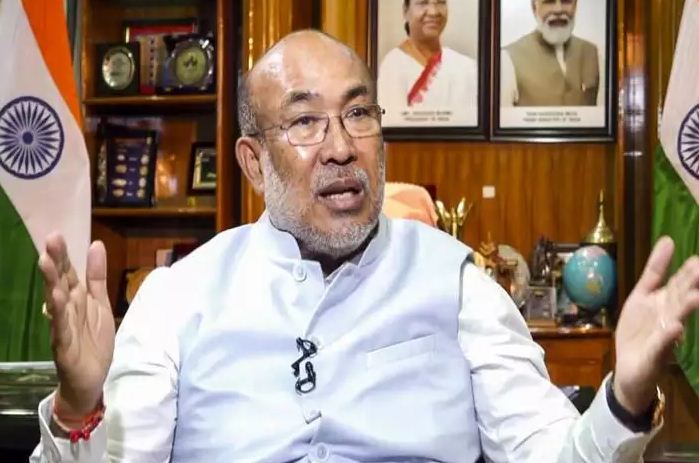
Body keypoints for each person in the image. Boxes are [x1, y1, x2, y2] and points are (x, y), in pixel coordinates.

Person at [32, 30, 699, 462]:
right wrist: (77, 408)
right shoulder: (179, 296)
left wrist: (623, 398)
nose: (341, 146)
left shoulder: (458, 285)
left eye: (358, 113)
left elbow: (552, 454)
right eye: (304, 121)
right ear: (253, 162)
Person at [377, 0, 478, 126]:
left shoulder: (466, 66)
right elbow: (392, 126)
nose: (433, 12)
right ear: (405, 11)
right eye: (423, 3)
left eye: (441, 2)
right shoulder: (393, 65)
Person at [501, 0, 600, 107]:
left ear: (575, 5)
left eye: (566, 1)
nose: (558, 10)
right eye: (549, 2)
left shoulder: (594, 53)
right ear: (534, 8)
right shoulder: (508, 58)